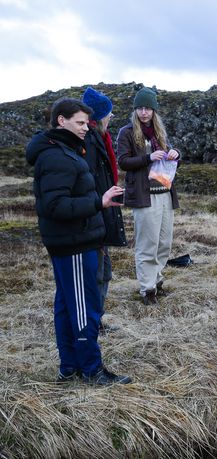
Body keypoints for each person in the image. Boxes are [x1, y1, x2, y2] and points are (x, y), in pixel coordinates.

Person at [25, 97, 131, 385]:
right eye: (80, 123)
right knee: (85, 307)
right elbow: (56, 206)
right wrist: (99, 201)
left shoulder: (62, 150)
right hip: (74, 244)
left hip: (74, 241)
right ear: (62, 121)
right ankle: (91, 370)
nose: (86, 128)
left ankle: (70, 367)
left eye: (87, 123)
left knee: (67, 305)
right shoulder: (56, 156)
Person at [117, 87, 180, 305]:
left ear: (154, 111)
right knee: (147, 244)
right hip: (145, 196)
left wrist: (175, 154)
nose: (144, 112)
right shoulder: (126, 132)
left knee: (164, 243)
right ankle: (147, 289)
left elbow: (170, 156)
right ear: (135, 110)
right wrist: (148, 158)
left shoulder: (159, 132)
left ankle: (157, 280)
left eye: (148, 108)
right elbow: (123, 162)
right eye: (140, 108)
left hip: (165, 194)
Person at [82, 87, 126, 325]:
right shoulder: (89, 142)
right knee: (96, 274)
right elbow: (88, 182)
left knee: (104, 272)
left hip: (102, 216)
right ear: (98, 117)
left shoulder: (100, 139)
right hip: (94, 219)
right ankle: (90, 323)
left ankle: (96, 320)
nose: (111, 117)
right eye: (108, 113)